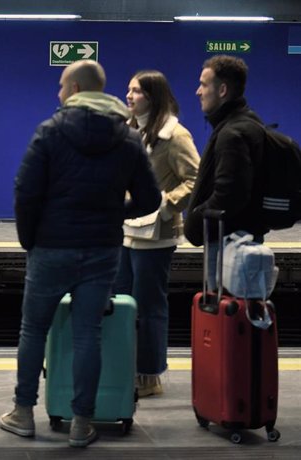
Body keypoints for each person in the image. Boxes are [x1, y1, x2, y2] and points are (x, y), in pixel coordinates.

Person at [0, 60, 161, 447]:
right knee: (89, 333)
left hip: (51, 247)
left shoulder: (50, 131)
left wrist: (29, 239)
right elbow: (150, 199)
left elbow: (25, 192)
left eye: (60, 86)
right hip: (102, 250)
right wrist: (112, 214)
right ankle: (81, 422)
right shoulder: (127, 138)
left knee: (33, 329)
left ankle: (23, 413)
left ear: (73, 88)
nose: (58, 93)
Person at [114, 70, 200, 398]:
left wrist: (165, 207)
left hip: (157, 233)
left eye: (136, 91)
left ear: (152, 95)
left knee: (149, 305)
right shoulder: (127, 130)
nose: (129, 96)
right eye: (128, 89)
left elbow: (195, 179)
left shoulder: (175, 135)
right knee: (122, 301)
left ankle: (149, 374)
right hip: (125, 231)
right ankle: (125, 366)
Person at [184, 55, 267, 290]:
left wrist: (198, 219)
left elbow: (230, 193)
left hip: (229, 243)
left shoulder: (232, 133)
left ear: (222, 90)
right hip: (239, 239)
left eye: (203, 84)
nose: (198, 92)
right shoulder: (246, 123)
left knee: (225, 311)